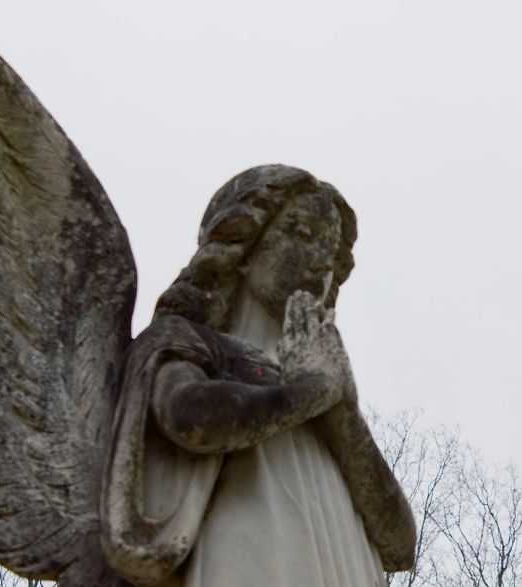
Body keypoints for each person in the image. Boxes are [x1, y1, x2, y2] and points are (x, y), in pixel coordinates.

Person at [101, 165, 416, 586]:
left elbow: (400, 544)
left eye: (331, 249)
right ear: (244, 248)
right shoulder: (189, 340)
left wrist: (343, 409)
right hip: (252, 555)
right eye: (301, 233)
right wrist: (314, 391)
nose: (321, 262)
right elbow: (190, 419)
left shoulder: (325, 384)